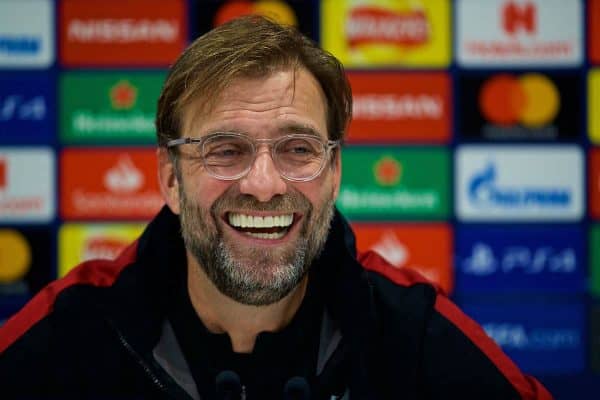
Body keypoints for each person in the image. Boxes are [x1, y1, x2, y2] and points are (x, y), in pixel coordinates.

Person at [0, 15, 552, 400]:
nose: (263, 185)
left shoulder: (412, 336)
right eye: (225, 149)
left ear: (333, 174)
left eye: (297, 149)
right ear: (170, 177)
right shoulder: (69, 335)